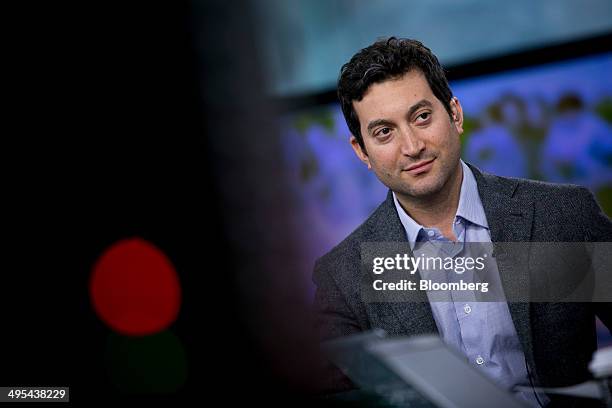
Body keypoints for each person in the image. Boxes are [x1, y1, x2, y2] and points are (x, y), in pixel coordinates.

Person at [312, 37, 612, 407]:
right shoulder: (342, 276)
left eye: (422, 116)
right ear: (362, 151)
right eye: (384, 132)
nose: (411, 146)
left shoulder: (563, 214)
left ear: (455, 114)